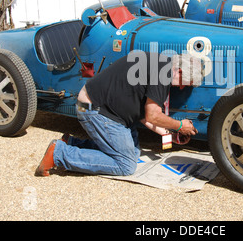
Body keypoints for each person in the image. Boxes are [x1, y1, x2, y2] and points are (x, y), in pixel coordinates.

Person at [35, 51, 203, 177]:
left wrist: (169, 135)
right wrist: (180, 126)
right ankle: (59, 154)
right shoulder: (162, 74)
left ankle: (72, 143)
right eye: (185, 83)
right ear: (179, 71)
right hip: (95, 110)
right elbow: (153, 115)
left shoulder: (159, 63)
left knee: (134, 153)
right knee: (126, 165)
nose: (181, 88)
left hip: (106, 110)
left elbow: (144, 115)